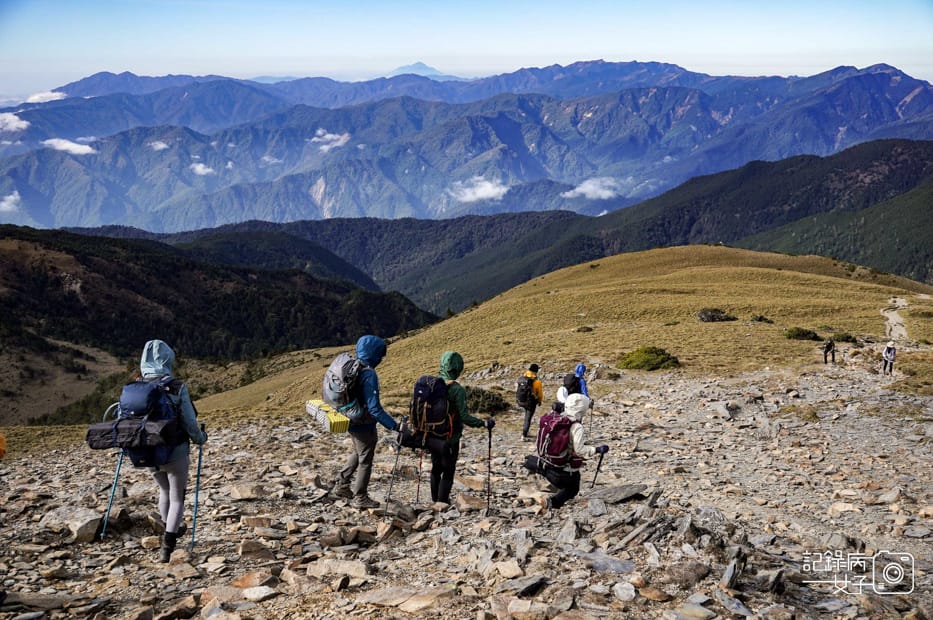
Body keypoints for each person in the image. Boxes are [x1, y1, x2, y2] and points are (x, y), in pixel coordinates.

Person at [137, 339, 208, 563]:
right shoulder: (176, 387)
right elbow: (189, 421)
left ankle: (168, 529)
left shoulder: (136, 386)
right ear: (168, 359)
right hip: (175, 451)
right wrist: (200, 438)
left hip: (147, 450)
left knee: (164, 491)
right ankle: (168, 546)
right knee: (177, 498)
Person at [331, 335, 399, 509]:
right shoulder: (368, 374)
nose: (381, 359)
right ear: (374, 353)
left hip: (348, 417)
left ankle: (342, 484)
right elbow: (374, 408)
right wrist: (395, 426)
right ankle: (360, 497)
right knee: (366, 460)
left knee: (359, 451)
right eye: (380, 354)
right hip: (363, 423)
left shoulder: (353, 366)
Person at [427, 351, 495, 505]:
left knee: (436, 467)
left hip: (432, 435)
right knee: (448, 470)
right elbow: (464, 417)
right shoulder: (457, 390)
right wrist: (484, 423)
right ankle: (442, 502)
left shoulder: (431, 384)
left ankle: (434, 500)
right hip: (451, 437)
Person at [523, 393, 608, 510]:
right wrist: (597, 449)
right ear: (581, 409)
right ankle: (551, 503)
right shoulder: (576, 426)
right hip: (564, 471)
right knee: (573, 488)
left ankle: (550, 499)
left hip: (547, 464)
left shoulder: (557, 419)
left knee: (567, 485)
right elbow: (580, 450)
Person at [518, 364, 544, 441]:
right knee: (528, 418)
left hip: (522, 400)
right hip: (531, 402)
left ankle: (526, 431)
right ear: (536, 371)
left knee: (526, 416)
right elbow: (539, 394)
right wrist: (539, 401)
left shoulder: (522, 378)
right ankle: (524, 435)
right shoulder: (537, 382)